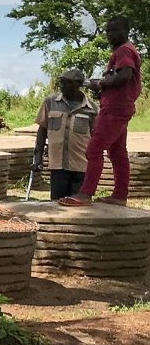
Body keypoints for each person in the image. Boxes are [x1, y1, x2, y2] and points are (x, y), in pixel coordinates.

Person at [61, 16, 143, 206]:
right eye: (108, 31)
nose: (110, 34)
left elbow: (124, 76)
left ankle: (86, 193)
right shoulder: (126, 50)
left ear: (126, 31)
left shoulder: (123, 51)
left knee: (94, 149)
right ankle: (120, 195)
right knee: (117, 152)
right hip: (122, 106)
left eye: (115, 30)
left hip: (115, 108)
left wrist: (101, 83)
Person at [33, 69, 98, 200]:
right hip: (58, 165)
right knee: (57, 204)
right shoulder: (50, 102)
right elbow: (42, 131)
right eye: (61, 82)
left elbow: (96, 137)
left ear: (78, 85)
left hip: (81, 165)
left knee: (78, 206)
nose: (62, 86)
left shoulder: (92, 108)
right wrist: (38, 157)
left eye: (67, 83)